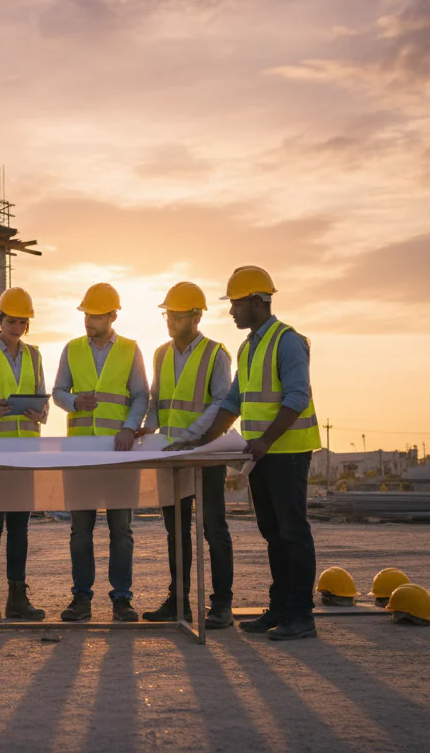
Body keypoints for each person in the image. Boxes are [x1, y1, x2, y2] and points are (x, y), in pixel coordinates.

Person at [200, 266, 322, 641]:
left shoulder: (287, 341)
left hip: (286, 453)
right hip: (261, 456)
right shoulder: (249, 346)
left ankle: (301, 614)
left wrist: (266, 440)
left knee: (293, 532)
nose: (231, 311)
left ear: (257, 301)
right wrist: (204, 439)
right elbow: (235, 400)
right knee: (273, 533)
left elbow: (297, 396)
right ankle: (281, 607)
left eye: (235, 304)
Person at [136, 282, 235, 629]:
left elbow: (222, 402)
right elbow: (156, 401)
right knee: (176, 531)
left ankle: (221, 605)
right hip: (171, 456)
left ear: (196, 316)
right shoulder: (161, 353)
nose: (170, 321)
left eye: (176, 315)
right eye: (167, 314)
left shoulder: (215, 353)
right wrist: (147, 429)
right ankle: (179, 602)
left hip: (204, 454)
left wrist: (192, 438)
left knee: (213, 529)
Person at [52, 282, 148, 623]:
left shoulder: (130, 349)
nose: (88, 321)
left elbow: (140, 395)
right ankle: (81, 598)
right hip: (80, 452)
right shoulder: (72, 348)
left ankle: (122, 599)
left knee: (121, 530)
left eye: (95, 315)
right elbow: (58, 391)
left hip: (118, 452)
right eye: (86, 314)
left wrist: (129, 427)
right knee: (80, 531)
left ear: (112, 315)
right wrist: (73, 401)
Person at [0, 287, 47, 622]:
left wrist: (40, 414)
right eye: (12, 320)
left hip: (25, 452)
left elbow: (42, 401)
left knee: (19, 527)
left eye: (22, 321)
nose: (17, 326)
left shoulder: (34, 355)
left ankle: (17, 599)